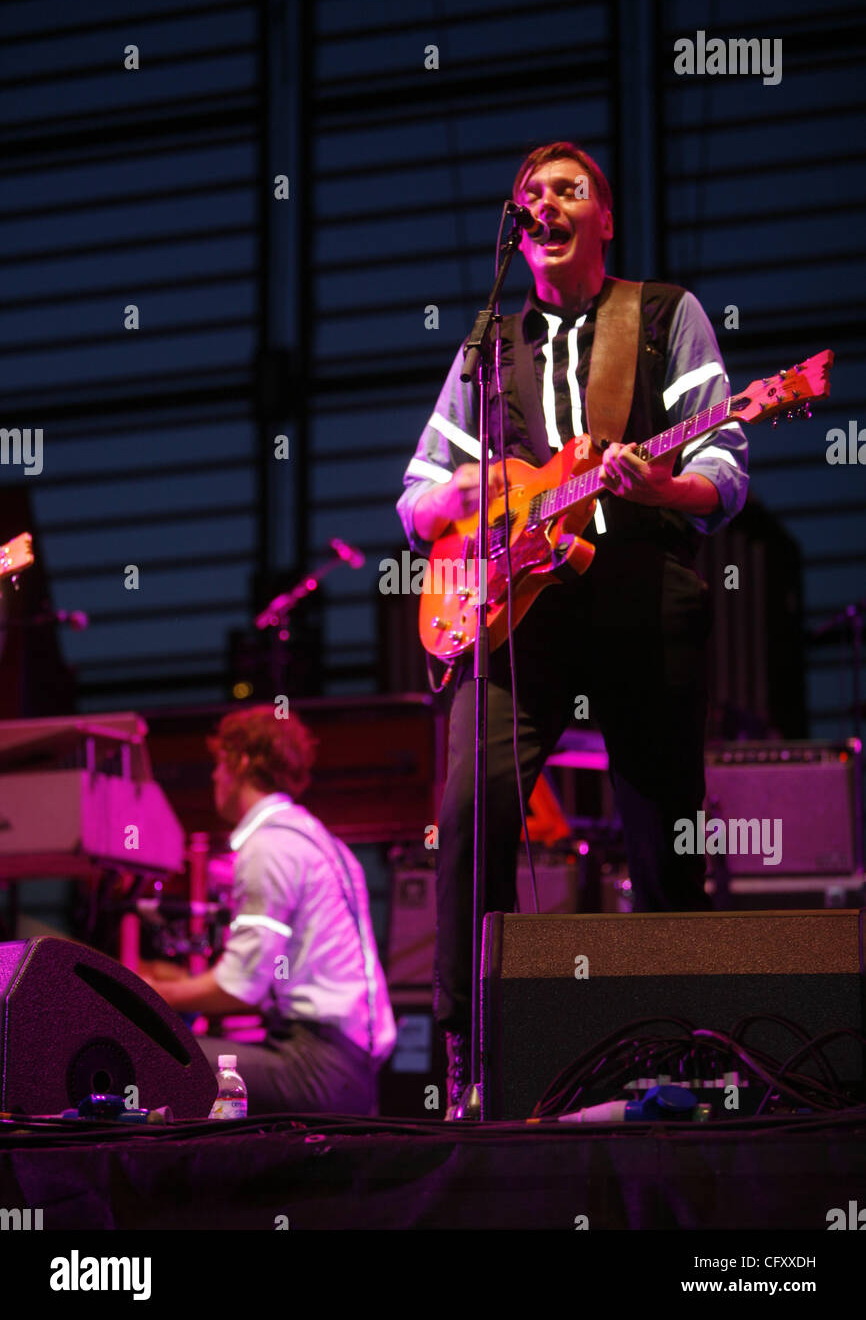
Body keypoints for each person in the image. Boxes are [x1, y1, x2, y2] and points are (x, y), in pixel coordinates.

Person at [396, 141, 749, 1116]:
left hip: (639, 593)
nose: (542, 205)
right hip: (519, 613)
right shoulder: (486, 343)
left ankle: (684, 1067)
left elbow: (724, 468)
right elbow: (417, 498)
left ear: (602, 219)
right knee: (471, 811)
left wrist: (660, 481)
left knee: (662, 834)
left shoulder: (663, 316)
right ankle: (473, 1064)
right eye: (528, 195)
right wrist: (497, 486)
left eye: (566, 190)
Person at [142, 705, 397, 1114]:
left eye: (218, 764)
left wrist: (149, 992)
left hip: (318, 1065)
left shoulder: (268, 846)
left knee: (153, 1061)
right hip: (350, 1064)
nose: (213, 777)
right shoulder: (317, 838)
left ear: (240, 760)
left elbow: (242, 985)